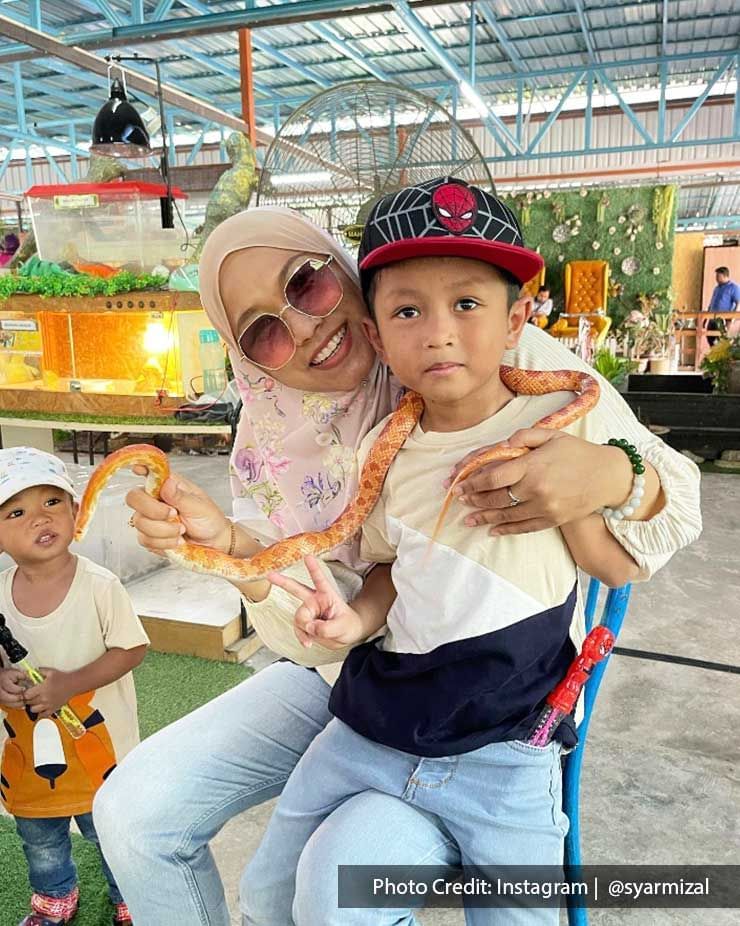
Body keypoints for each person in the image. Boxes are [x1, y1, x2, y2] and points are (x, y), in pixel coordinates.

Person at [92, 205, 702, 926]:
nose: (303, 327)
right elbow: (314, 633)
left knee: (338, 884)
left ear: (346, 275)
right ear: (246, 357)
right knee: (130, 812)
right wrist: (236, 549)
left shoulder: (498, 356)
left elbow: (675, 508)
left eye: (307, 285)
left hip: (483, 707)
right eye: (262, 332)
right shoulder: (266, 439)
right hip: (350, 683)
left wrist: (606, 477)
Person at [239, 178, 655, 926]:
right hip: (369, 728)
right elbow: (391, 571)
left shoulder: (558, 422)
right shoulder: (385, 450)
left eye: (468, 303)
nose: (438, 332)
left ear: (517, 318)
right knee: (268, 895)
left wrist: (590, 485)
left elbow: (617, 569)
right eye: (407, 310)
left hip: (505, 755)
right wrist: (352, 623)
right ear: (376, 333)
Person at [0, 447, 149, 926]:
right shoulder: (1, 591)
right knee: (39, 833)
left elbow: (131, 650)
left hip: (100, 752)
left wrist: (71, 685)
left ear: (75, 512)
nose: (39, 519)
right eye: (16, 511)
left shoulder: (100, 586)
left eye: (52, 502)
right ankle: (54, 896)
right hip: (26, 756)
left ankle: (129, 895)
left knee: (110, 829)